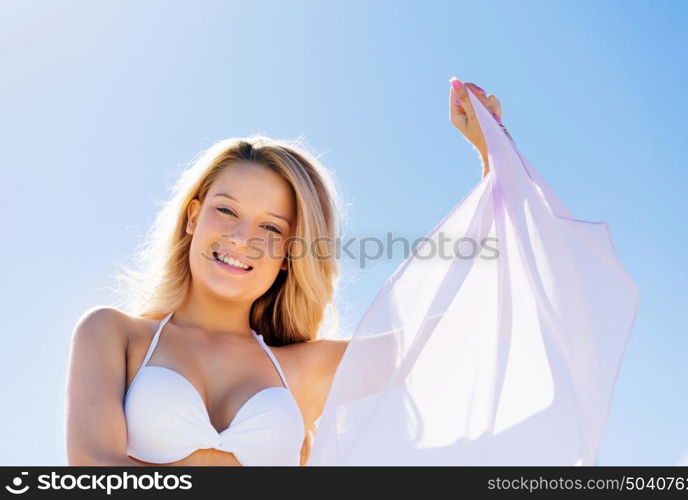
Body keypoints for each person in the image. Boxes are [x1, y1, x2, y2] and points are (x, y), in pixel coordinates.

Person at [65, 79, 639, 466]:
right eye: (226, 211)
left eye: (271, 228)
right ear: (194, 217)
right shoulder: (114, 336)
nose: (242, 239)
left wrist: (497, 160)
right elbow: (91, 471)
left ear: (291, 251)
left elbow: (480, 325)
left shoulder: (310, 368)